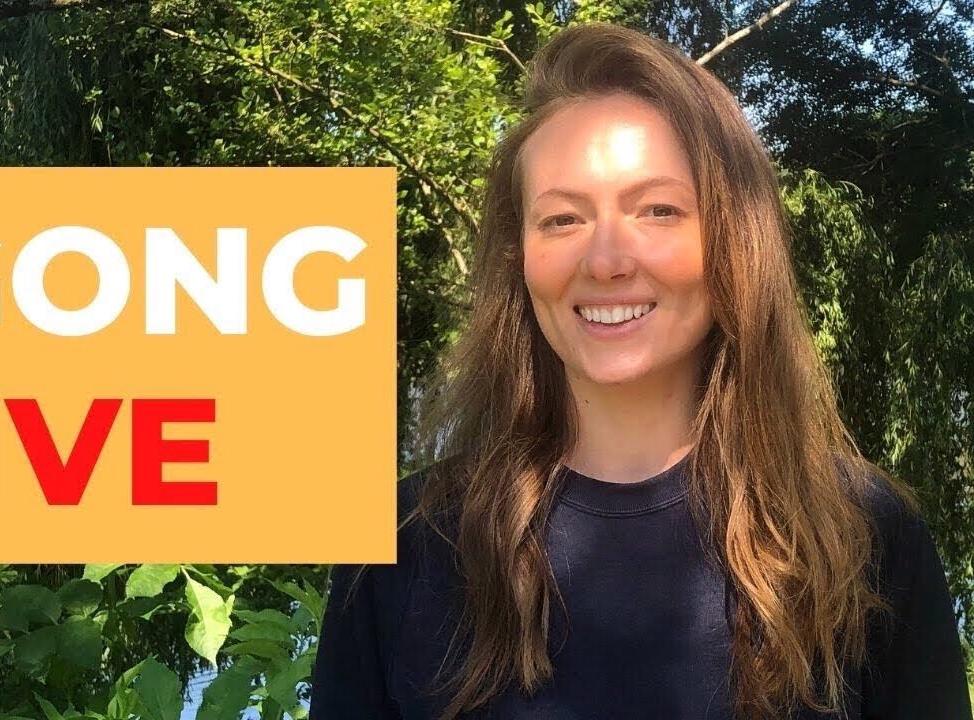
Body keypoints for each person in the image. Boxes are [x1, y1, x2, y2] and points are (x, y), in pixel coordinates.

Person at [308, 21, 972, 720]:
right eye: (562, 220)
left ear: (735, 242)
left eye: (658, 210)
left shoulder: (862, 536)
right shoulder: (403, 544)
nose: (606, 261)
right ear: (518, 258)